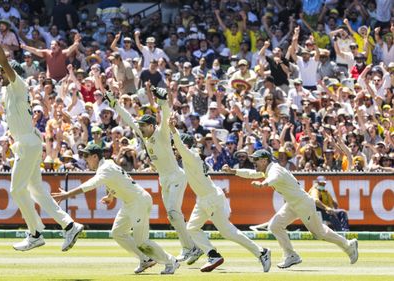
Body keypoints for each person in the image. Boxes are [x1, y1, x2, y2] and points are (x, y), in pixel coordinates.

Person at [0, 18, 83, 251]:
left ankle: (35, 232)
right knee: (36, 191)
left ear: (10, 72)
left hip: (27, 142)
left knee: (17, 190)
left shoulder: (17, 83)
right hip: (30, 142)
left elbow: (3, 61)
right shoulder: (8, 86)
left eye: (1, 72)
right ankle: (69, 226)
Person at [53, 143, 180, 275]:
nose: (85, 159)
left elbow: (90, 185)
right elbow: (118, 180)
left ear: (95, 157)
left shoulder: (105, 168)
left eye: (87, 156)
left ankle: (171, 261)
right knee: (118, 233)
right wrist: (110, 196)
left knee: (142, 241)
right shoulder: (108, 163)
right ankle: (145, 259)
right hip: (129, 203)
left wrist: (68, 194)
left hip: (138, 202)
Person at [222, 149, 358, 269]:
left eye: (256, 160)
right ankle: (291, 255)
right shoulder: (267, 169)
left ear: (264, 160)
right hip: (293, 204)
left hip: (303, 204)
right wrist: (233, 171)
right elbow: (251, 173)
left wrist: (263, 184)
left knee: (320, 233)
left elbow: (274, 178)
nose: (254, 162)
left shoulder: (274, 169)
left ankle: (348, 245)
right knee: (275, 226)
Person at [105, 89, 198, 262]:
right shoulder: (144, 135)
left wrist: (163, 101)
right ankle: (189, 247)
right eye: (140, 126)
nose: (139, 128)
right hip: (164, 180)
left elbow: (165, 117)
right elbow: (129, 120)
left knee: (172, 212)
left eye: (143, 126)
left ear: (151, 126)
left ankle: (191, 248)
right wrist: (115, 104)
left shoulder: (161, 134)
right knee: (172, 215)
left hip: (176, 177)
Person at [168, 117, 271, 273]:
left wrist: (173, 129)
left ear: (185, 146)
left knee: (227, 231)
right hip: (204, 198)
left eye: (176, 147)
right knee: (192, 228)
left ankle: (261, 252)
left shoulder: (191, 155)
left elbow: (181, 148)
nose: (174, 150)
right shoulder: (191, 156)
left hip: (210, 198)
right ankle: (212, 254)